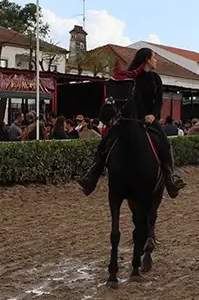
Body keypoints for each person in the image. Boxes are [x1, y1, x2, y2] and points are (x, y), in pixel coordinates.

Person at [77, 47, 186, 198]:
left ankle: (170, 177)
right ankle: (91, 176)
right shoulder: (130, 77)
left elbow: (159, 101)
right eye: (154, 57)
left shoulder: (156, 78)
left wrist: (153, 115)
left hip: (149, 119)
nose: (156, 61)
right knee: (105, 140)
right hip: (129, 118)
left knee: (165, 143)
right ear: (147, 59)